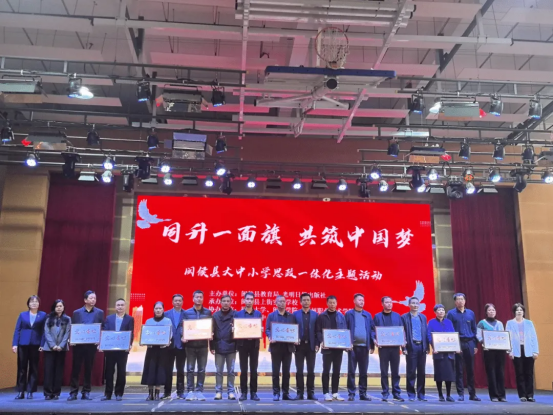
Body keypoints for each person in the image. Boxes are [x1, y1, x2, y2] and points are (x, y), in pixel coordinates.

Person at [68, 290, 105, 401]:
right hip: (78, 345)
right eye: (91, 298)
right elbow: (73, 327)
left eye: (95, 298)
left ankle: (86, 391)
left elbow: (102, 327)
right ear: (85, 300)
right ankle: (73, 392)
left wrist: (99, 341)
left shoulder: (99, 312)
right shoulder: (77, 312)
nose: (93, 300)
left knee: (89, 369)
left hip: (91, 345)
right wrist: (72, 339)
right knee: (76, 368)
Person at [446, 293, 480, 401]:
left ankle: (472, 394)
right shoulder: (451, 313)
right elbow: (449, 330)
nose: (460, 301)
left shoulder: (471, 313)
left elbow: (474, 329)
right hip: (458, 343)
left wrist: (475, 345)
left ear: (465, 301)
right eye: (458, 299)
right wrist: (453, 345)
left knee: (470, 370)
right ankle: (461, 394)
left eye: (462, 299)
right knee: (459, 370)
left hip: (470, 342)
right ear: (455, 302)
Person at [12, 295, 47, 399]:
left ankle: (30, 391)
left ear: (39, 304)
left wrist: (42, 344)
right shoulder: (22, 315)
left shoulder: (43, 315)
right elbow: (17, 330)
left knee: (33, 368)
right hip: (23, 344)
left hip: (35, 344)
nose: (34, 303)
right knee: (22, 368)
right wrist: (14, 344)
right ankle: (21, 391)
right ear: (28, 304)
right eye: (32, 301)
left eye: (36, 301)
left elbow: (44, 331)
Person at [101, 298, 135, 401]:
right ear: (115, 306)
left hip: (122, 350)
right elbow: (105, 332)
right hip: (110, 350)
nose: (120, 307)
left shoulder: (130, 319)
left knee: (121, 372)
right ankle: (108, 394)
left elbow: (131, 333)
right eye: (118, 305)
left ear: (125, 306)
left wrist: (129, 345)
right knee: (109, 372)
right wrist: (103, 344)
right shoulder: (109, 318)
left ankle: (119, 393)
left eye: (122, 305)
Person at [506, 303, 539, 402]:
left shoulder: (529, 323)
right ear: (514, 312)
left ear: (523, 312)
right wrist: (509, 351)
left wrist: (535, 351)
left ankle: (530, 395)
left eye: (521, 310)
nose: (519, 312)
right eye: (517, 310)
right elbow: (508, 338)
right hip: (516, 350)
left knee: (529, 373)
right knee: (519, 373)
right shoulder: (510, 323)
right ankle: (522, 395)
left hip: (528, 349)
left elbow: (533, 337)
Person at [182, 290, 212, 401]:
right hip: (190, 345)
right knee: (190, 369)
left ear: (203, 299)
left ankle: (199, 391)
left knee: (202, 369)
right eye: (197, 297)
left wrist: (211, 333)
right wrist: (183, 335)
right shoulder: (187, 312)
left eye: (201, 297)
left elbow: (211, 327)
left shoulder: (208, 312)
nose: (199, 299)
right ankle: (190, 391)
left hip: (203, 345)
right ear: (193, 298)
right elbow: (182, 326)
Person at [316, 295, 347, 402]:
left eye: (334, 303)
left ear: (336, 303)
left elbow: (344, 331)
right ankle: (326, 393)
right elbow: (318, 331)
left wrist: (346, 344)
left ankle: (335, 393)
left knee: (337, 371)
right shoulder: (322, 316)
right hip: (327, 348)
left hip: (338, 348)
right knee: (326, 371)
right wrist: (321, 341)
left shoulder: (341, 316)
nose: (332, 305)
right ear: (327, 303)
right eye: (330, 303)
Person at [266, 295, 297, 401]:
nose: (282, 303)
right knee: (275, 372)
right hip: (276, 347)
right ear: (276, 303)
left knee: (286, 372)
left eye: (284, 301)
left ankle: (285, 393)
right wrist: (270, 337)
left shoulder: (291, 316)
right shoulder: (271, 316)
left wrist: (295, 338)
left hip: (288, 347)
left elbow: (294, 329)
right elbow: (267, 329)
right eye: (280, 301)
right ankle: (276, 393)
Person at [373, 296, 404, 402]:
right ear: (382, 304)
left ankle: (396, 393)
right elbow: (373, 331)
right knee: (384, 372)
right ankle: (385, 393)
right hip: (383, 348)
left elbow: (401, 330)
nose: (389, 304)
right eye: (387, 302)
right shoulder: (377, 316)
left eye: (391, 302)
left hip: (395, 348)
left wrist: (403, 342)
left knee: (395, 371)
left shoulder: (397, 316)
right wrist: (374, 340)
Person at [345, 293, 374, 401]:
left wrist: (372, 344)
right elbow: (345, 330)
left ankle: (363, 393)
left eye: (363, 300)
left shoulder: (367, 315)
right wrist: (347, 344)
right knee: (351, 371)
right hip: (352, 347)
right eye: (359, 300)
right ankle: (351, 393)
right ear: (354, 301)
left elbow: (371, 330)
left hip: (364, 347)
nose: (362, 302)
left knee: (363, 372)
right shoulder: (349, 314)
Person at [141, 301, 173, 401]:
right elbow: (145, 334)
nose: (158, 310)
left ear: (163, 310)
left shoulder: (167, 321)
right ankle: (150, 394)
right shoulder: (148, 321)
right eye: (156, 308)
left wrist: (167, 341)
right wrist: (144, 341)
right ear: (153, 310)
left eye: (160, 308)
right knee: (150, 370)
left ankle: (157, 394)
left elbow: (170, 334)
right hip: (151, 350)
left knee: (160, 371)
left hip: (162, 350)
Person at [234, 292, 262, 401]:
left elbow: (259, 328)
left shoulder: (258, 314)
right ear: (244, 300)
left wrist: (260, 330)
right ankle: (244, 393)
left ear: (253, 301)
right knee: (244, 369)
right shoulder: (238, 314)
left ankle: (254, 393)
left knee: (254, 369)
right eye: (247, 299)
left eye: (251, 299)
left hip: (254, 344)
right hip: (242, 344)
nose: (249, 301)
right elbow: (236, 329)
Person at [476, 303, 506, 402]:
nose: (491, 312)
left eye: (493, 310)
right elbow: (478, 335)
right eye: (489, 310)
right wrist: (483, 342)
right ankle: (494, 395)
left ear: (495, 312)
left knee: (500, 372)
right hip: (488, 351)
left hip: (500, 351)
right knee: (491, 372)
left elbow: (503, 336)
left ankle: (502, 395)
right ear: (486, 312)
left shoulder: (499, 323)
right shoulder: (482, 323)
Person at [401, 297, 429, 401]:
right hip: (411, 346)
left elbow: (425, 332)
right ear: (409, 305)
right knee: (411, 372)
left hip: (422, 346)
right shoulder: (404, 317)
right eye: (413, 303)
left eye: (417, 303)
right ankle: (411, 394)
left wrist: (427, 347)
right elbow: (402, 333)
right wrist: (404, 348)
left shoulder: (423, 317)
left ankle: (421, 394)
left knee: (422, 372)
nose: (415, 305)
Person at [42, 299, 71, 401]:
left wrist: (61, 346)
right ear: (54, 308)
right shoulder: (48, 318)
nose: (59, 308)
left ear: (63, 308)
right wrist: (53, 345)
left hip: (61, 349)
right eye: (57, 306)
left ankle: (56, 393)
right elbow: (46, 332)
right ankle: (47, 393)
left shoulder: (67, 319)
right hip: (49, 348)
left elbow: (67, 333)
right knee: (48, 371)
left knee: (59, 371)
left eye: (60, 306)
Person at [293, 293, 319, 400]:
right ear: (300, 302)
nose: (306, 302)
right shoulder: (295, 314)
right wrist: (294, 340)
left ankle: (310, 393)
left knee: (311, 371)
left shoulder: (315, 315)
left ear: (311, 301)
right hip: (299, 346)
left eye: (308, 300)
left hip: (311, 346)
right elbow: (292, 329)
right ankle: (299, 393)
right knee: (299, 370)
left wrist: (317, 344)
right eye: (304, 300)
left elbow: (317, 331)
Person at [427, 304, 455, 402]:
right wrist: (433, 347)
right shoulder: (431, 322)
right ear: (435, 312)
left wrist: (455, 346)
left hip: (449, 353)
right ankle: (440, 395)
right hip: (438, 353)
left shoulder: (449, 322)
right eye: (439, 310)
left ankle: (448, 395)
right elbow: (429, 336)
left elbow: (453, 335)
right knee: (439, 374)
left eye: (443, 310)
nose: (441, 311)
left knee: (449, 374)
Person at [211, 295, 236, 400]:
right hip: (219, 346)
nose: (226, 303)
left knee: (231, 371)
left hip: (232, 346)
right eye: (224, 301)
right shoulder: (215, 315)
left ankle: (231, 391)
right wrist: (211, 346)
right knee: (219, 371)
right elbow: (211, 331)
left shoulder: (235, 315)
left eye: (228, 301)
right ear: (220, 302)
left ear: (231, 302)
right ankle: (218, 391)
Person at [163, 294, 186, 399]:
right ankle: (167, 392)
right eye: (176, 301)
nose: (177, 302)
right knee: (168, 370)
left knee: (180, 370)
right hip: (169, 346)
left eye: (179, 301)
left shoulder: (186, 314)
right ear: (172, 302)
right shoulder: (166, 314)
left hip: (182, 346)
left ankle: (180, 392)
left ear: (182, 302)